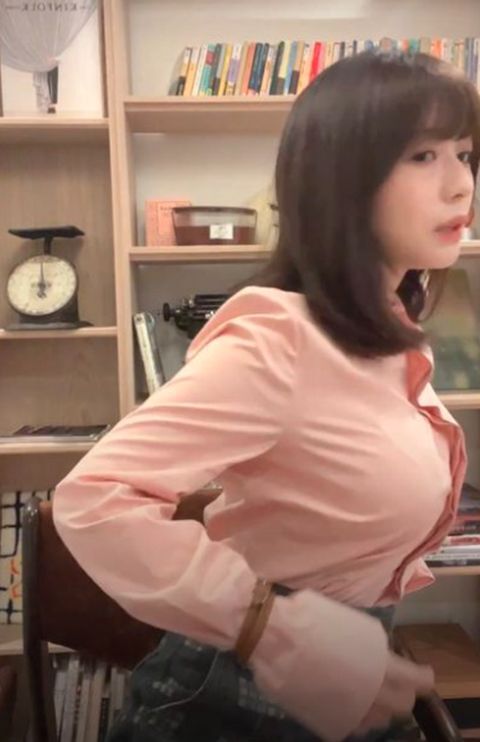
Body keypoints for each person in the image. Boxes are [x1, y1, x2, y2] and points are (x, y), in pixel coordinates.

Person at [53, 48, 480, 742]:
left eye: (465, 155)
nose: (462, 185)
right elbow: (94, 498)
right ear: (341, 178)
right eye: (424, 156)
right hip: (232, 701)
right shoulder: (278, 339)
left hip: (345, 678)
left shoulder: (388, 333)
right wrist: (270, 626)